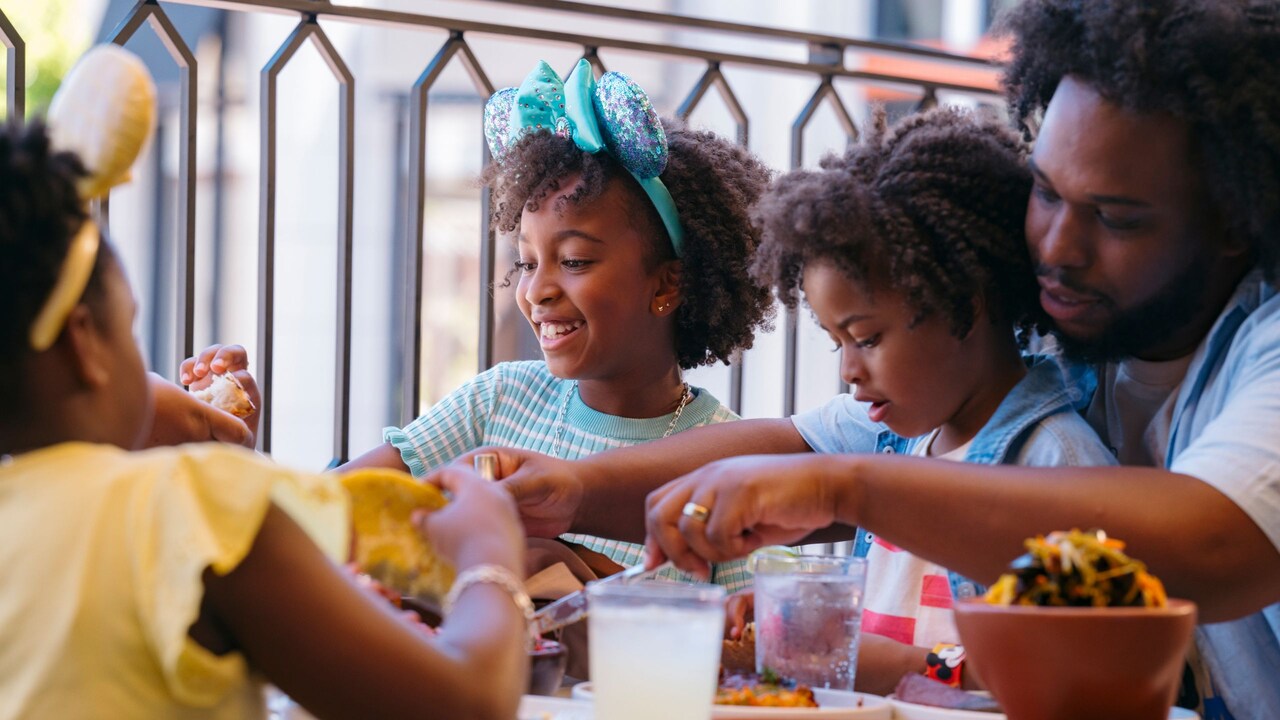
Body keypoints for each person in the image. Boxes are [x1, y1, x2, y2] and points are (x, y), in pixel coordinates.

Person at [469, 2, 1280, 716]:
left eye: (1116, 216)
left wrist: (843, 490)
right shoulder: (1048, 324)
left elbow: (1221, 541)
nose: (1057, 246)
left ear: (1235, 218)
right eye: (1047, 193)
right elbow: (798, 445)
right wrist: (567, 491)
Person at [0, 120, 531, 720]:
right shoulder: (193, 505)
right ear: (85, 344)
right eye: (129, 326)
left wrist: (218, 462)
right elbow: (467, 706)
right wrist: (490, 552)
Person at [185, 59, 775, 592]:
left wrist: (571, 568)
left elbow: (742, 649)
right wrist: (239, 455)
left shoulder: (727, 455)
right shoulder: (497, 403)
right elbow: (334, 513)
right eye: (525, 262)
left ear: (667, 284)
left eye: (573, 261)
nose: (536, 289)